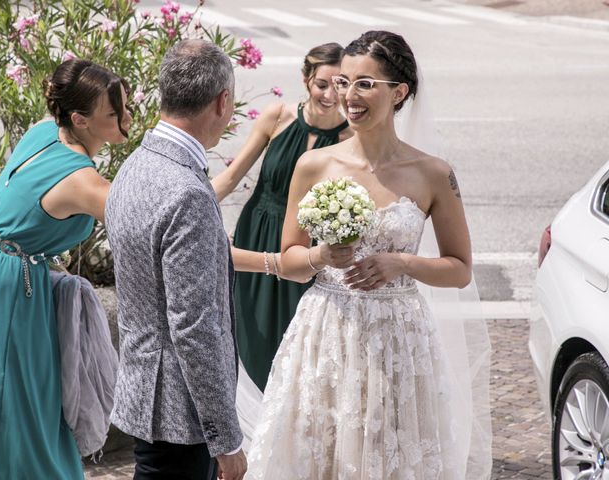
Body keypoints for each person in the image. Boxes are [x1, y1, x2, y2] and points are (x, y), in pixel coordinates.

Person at [245, 31, 491, 479]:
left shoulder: (433, 173)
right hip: (326, 335)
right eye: (343, 83)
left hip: (399, 339)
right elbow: (290, 262)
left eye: (364, 84)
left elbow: (459, 270)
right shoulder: (315, 166)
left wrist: (402, 264)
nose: (349, 97)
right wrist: (322, 255)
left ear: (399, 93)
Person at [0, 59, 131, 479]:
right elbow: (165, 225)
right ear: (80, 119)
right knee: (17, 405)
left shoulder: (45, 129)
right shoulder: (82, 181)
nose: (127, 117)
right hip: (8, 289)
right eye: (114, 113)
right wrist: (270, 262)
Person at [105, 39, 247, 480]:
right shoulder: (185, 190)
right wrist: (227, 440)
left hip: (145, 392)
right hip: (179, 413)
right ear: (223, 102)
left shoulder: (136, 163)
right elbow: (194, 327)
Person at [211, 43, 352, 391]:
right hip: (258, 232)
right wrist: (188, 207)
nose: (331, 94)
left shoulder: (351, 137)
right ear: (306, 80)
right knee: (251, 332)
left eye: (341, 84)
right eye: (323, 83)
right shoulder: (277, 117)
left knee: (298, 338)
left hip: (306, 247)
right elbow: (230, 177)